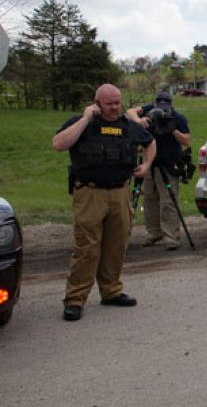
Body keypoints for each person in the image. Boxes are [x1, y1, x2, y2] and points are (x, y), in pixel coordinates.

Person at [52, 84, 156, 321]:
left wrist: (147, 165)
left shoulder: (127, 126)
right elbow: (59, 144)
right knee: (87, 248)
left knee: (116, 245)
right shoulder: (81, 122)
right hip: (90, 194)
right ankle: (75, 299)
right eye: (109, 103)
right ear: (96, 102)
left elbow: (150, 142)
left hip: (120, 193)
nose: (115, 107)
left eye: (118, 102)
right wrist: (86, 119)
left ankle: (111, 291)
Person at [126, 91, 191, 250]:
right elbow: (129, 112)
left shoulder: (178, 117)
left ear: (170, 104)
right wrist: (139, 121)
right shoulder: (149, 110)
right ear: (155, 103)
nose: (162, 106)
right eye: (159, 103)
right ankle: (154, 233)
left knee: (168, 201)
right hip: (148, 163)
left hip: (168, 164)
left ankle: (171, 237)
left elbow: (187, 141)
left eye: (165, 104)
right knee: (149, 198)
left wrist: (172, 129)